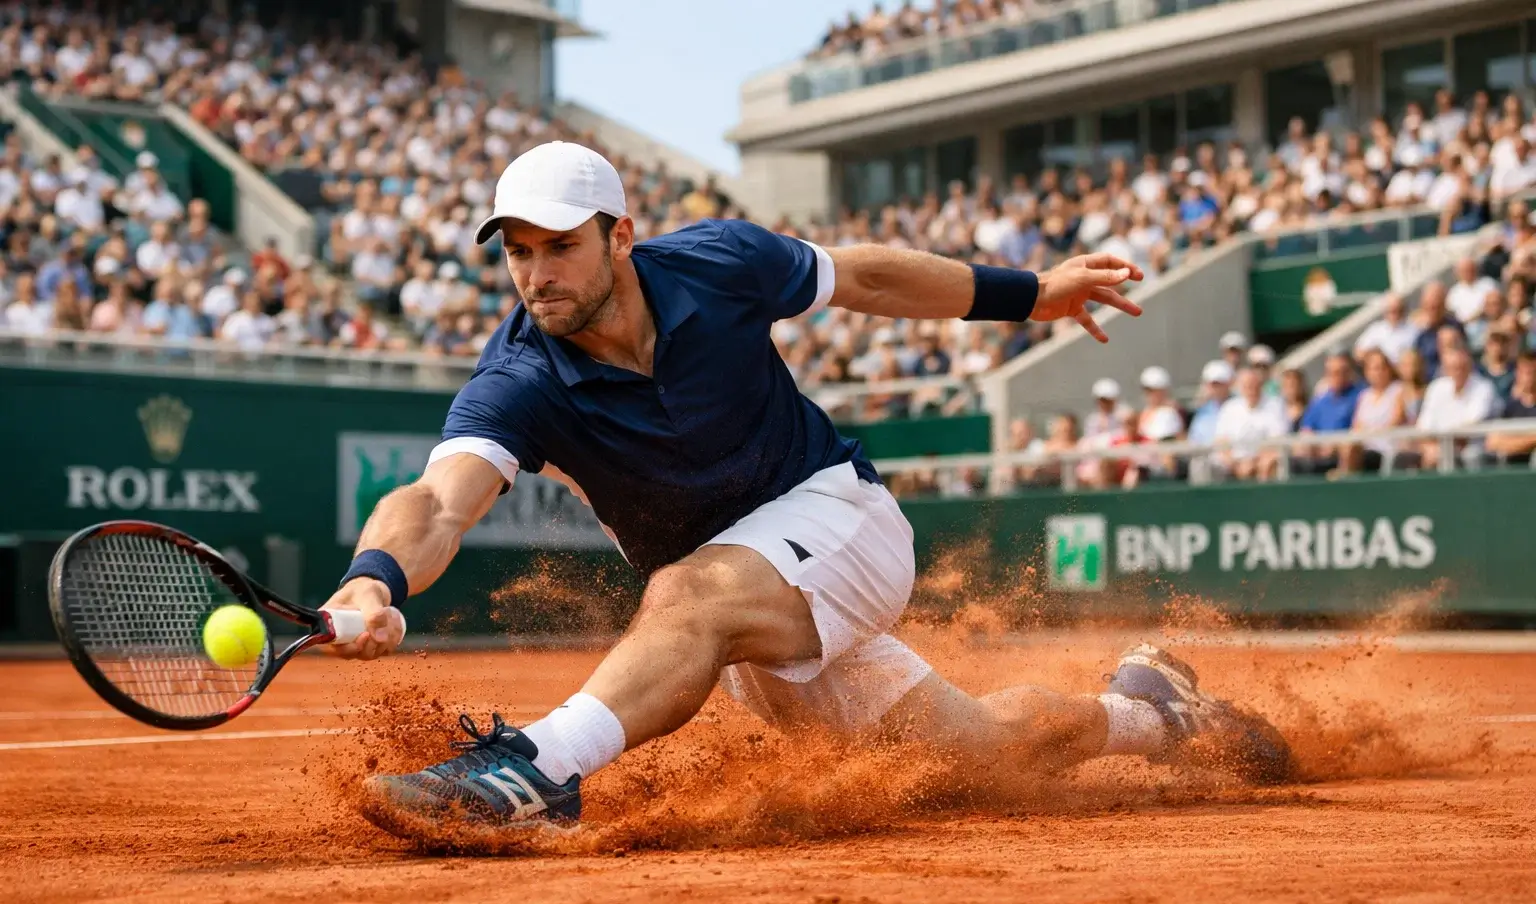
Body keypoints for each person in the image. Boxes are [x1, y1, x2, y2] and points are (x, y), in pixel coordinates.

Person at [320, 143, 1292, 835]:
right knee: (977, 758)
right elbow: (440, 500)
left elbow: (869, 276)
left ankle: (539, 771)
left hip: (838, 521)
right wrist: (373, 579)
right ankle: (1152, 710)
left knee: (685, 594)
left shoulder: (719, 265)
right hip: (740, 603)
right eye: (517, 250)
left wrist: (1028, 292)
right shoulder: (518, 377)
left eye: (558, 245)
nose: (536, 274)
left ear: (621, 234)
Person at [1415, 345, 1497, 470]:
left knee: (1471, 455)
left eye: (1461, 367)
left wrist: (1442, 448)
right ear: (1445, 369)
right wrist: (1432, 447)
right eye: (1452, 368)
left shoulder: (1483, 387)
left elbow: (1470, 427)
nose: (1458, 372)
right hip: (1436, 448)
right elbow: (1424, 426)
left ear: (1469, 367)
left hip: (1471, 447)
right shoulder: (1436, 387)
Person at [1334, 348, 1405, 477]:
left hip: (1387, 450)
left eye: (1381, 367)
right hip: (1365, 448)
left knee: (1352, 450)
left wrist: (1369, 433)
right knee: (1348, 446)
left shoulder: (1398, 391)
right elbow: (1356, 426)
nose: (1378, 373)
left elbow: (1396, 421)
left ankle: (1343, 477)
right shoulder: (1364, 396)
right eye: (1374, 368)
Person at [1213, 367, 1287, 481]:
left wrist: (1253, 462)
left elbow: (1277, 441)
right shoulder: (1229, 408)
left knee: (1270, 464)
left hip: (1263, 462)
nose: (1252, 390)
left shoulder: (1275, 406)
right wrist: (1236, 465)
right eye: (1247, 386)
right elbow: (1221, 442)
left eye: (1255, 385)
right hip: (1234, 464)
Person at [1295, 353, 1362, 473]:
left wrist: (1334, 445)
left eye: (1341, 372)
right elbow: (1307, 429)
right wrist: (1315, 445)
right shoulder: (1320, 401)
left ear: (1349, 373)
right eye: (1332, 373)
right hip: (1318, 451)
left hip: (1343, 453)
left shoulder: (1360, 396)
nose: (1336, 377)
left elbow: (1358, 429)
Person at [1486, 353, 1536, 464]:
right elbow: (1493, 442)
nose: (1529, 377)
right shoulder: (1510, 407)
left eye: (1532, 372)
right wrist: (1531, 440)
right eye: (1524, 372)